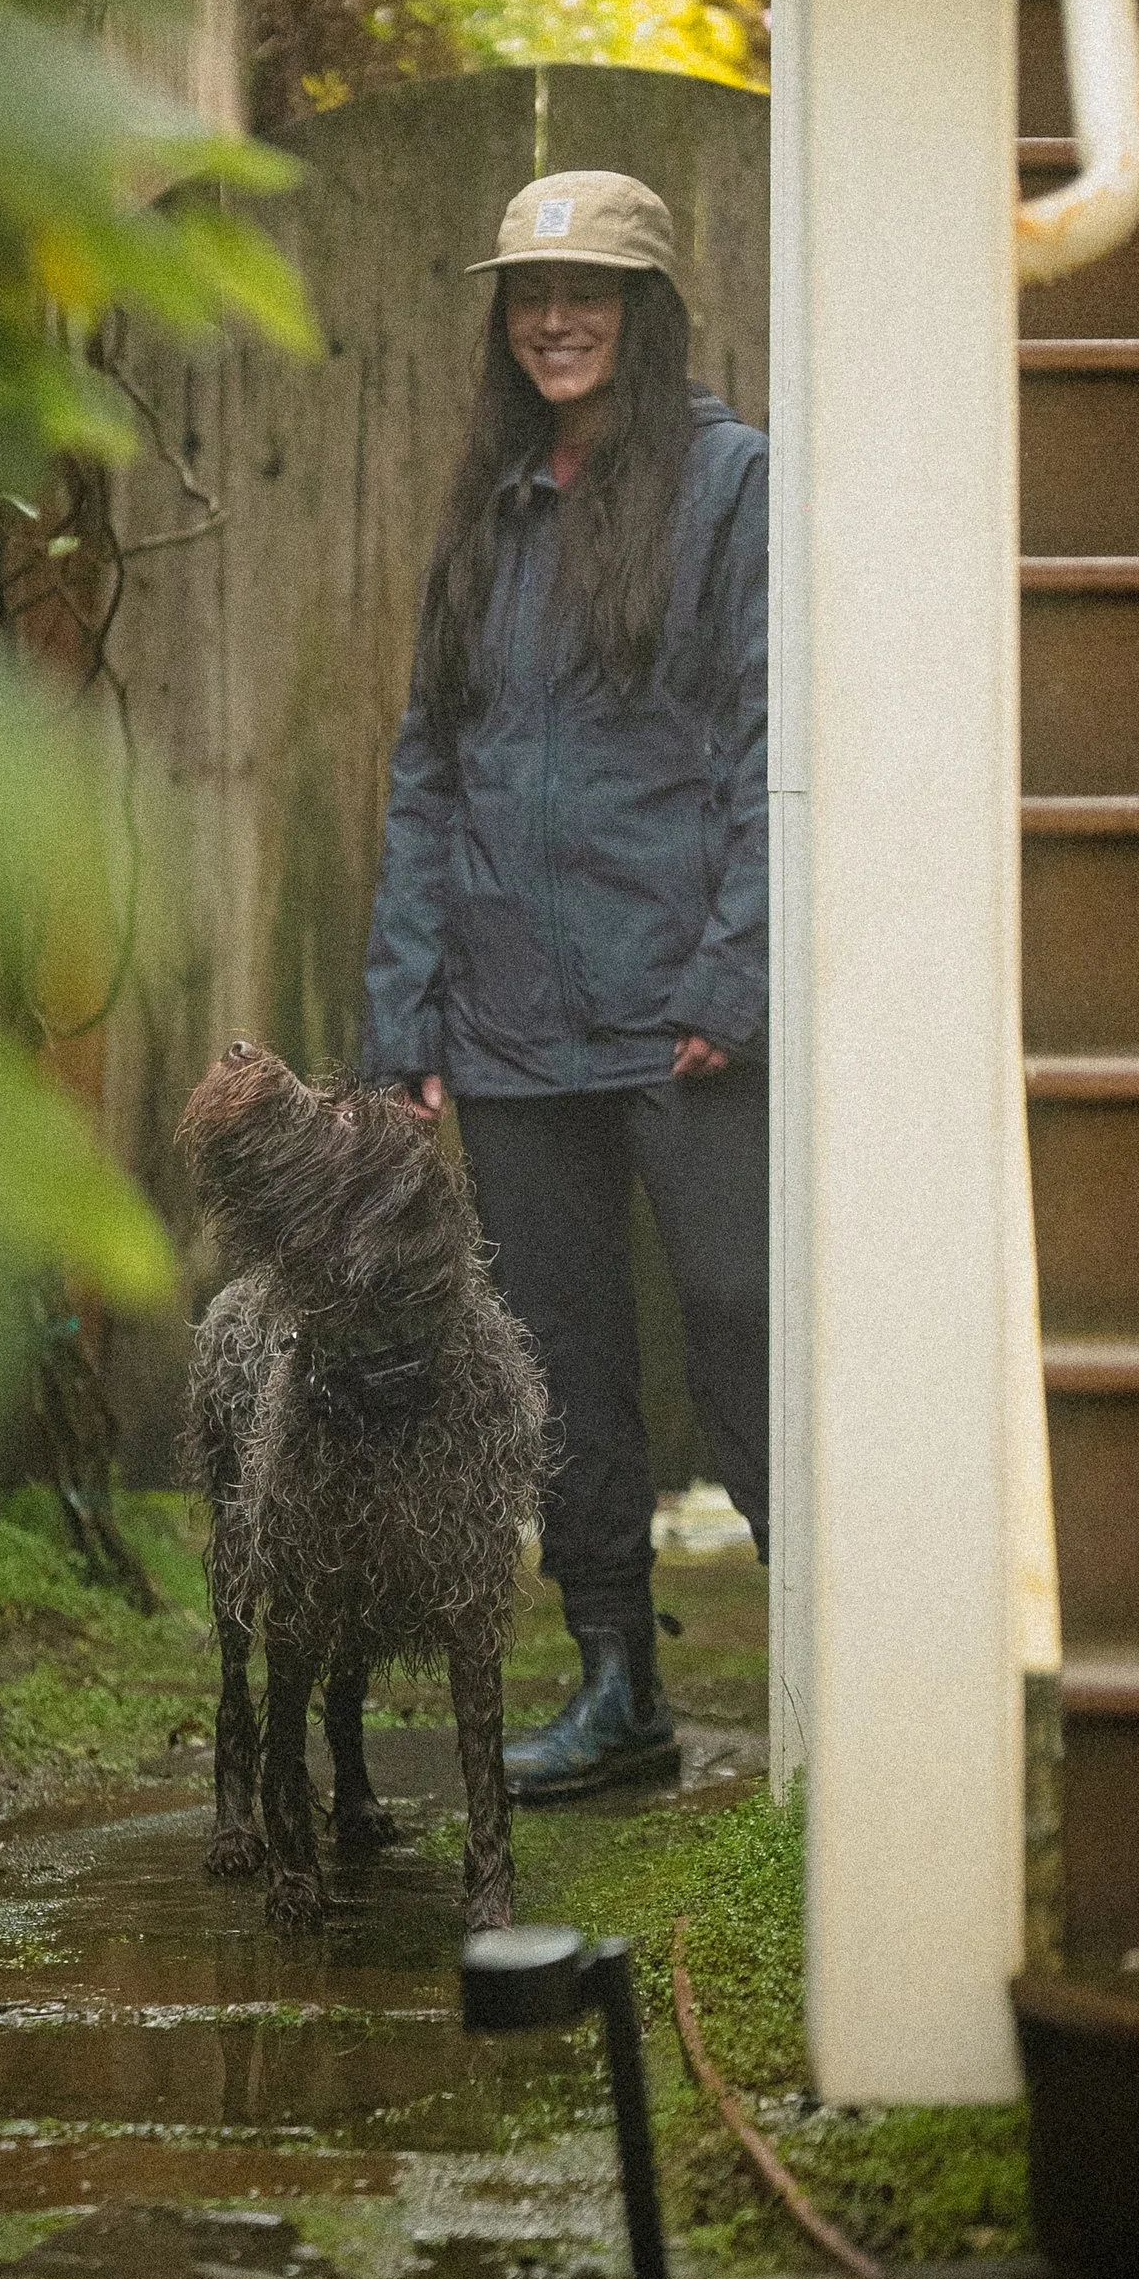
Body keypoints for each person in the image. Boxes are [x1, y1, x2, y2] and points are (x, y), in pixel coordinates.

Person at [359, 168, 767, 1799]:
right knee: (560, 1360)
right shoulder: (492, 498)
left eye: (590, 289)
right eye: (531, 292)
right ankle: (619, 1686)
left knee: (742, 1320)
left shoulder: (730, 487)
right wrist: (406, 1013)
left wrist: (728, 981)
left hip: (681, 1017)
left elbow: (764, 746)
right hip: (513, 1022)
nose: (556, 317)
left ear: (649, 310)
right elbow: (427, 769)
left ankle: (844, 1653)